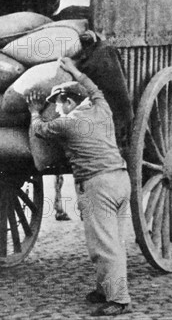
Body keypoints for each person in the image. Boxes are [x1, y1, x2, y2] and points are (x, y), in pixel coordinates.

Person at [26, 58, 132, 317]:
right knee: (113, 241)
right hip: (120, 180)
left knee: (103, 246)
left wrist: (34, 111)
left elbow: (40, 129)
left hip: (98, 186)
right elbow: (95, 90)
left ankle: (118, 300)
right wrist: (75, 72)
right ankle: (104, 289)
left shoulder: (68, 122)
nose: (57, 108)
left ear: (70, 102)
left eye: (59, 103)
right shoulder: (101, 109)